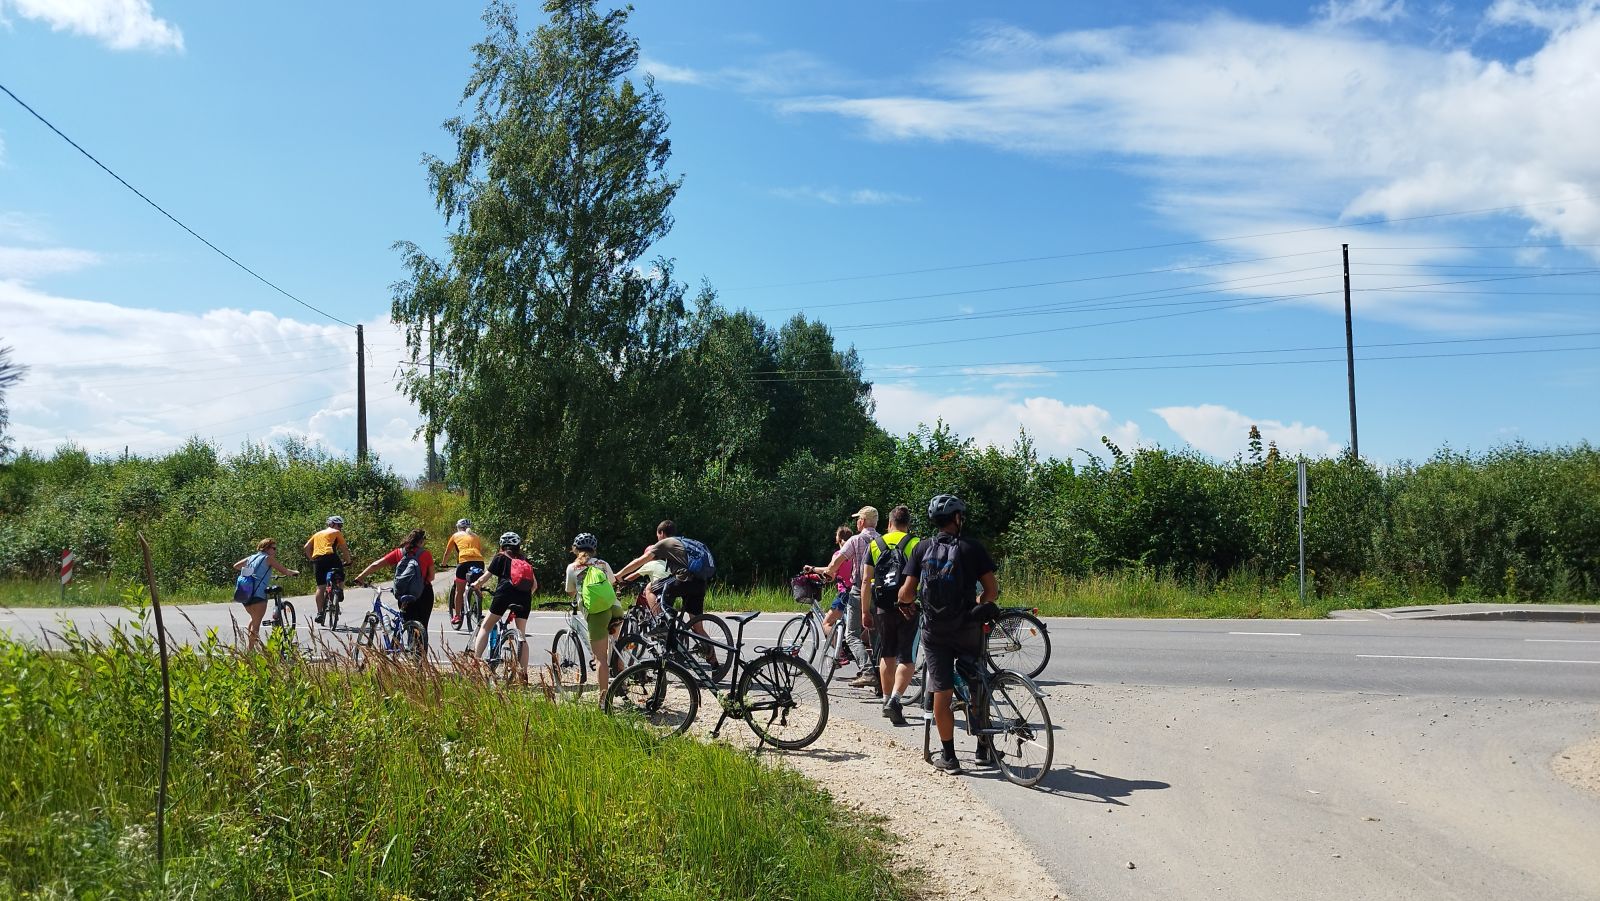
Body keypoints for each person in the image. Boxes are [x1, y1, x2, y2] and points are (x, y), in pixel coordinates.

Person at [898, 494, 998, 774]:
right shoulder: (972, 548)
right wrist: (978, 606)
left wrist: (907, 603)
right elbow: (991, 592)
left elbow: (906, 593)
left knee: (941, 693)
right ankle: (982, 748)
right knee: (978, 683)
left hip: (935, 632)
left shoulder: (922, 548)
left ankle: (949, 757)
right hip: (967, 628)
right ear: (957, 519)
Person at [612, 520, 715, 658]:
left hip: (683, 580)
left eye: (657, 535)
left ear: (661, 533)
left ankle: (661, 623)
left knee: (650, 589)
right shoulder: (681, 542)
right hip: (699, 583)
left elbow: (640, 561)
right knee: (698, 628)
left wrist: (619, 575)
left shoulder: (664, 543)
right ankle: (714, 663)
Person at [861, 505, 921, 725]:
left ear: (889, 523)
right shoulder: (915, 543)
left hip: (883, 606)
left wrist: (864, 611)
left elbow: (866, 580)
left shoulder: (875, 545)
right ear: (908, 524)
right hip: (909, 606)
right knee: (907, 656)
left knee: (887, 653)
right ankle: (895, 699)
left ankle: (886, 700)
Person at [809, 505, 881, 689]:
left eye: (858, 519)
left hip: (859, 590)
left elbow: (835, 564)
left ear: (862, 522)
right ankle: (881, 678)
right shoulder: (883, 540)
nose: (857, 521)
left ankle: (868, 671)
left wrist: (825, 572)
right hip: (880, 592)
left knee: (851, 635)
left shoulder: (855, 541)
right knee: (875, 634)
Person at [564, 532, 624, 696]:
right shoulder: (603, 564)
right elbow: (611, 583)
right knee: (615, 647)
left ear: (575, 549)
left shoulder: (572, 568)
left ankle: (604, 699)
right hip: (616, 608)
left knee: (600, 660)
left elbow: (570, 592)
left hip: (598, 614)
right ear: (594, 549)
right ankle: (622, 678)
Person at [472, 532, 537, 678]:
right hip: (524, 597)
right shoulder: (525, 560)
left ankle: (475, 664)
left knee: (486, 626)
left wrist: (476, 585)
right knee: (521, 634)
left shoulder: (500, 557)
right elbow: (534, 585)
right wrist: (523, 598)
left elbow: (485, 577)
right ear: (518, 546)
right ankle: (524, 675)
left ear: (502, 545)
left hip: (504, 594)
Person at [352, 528, 437, 633]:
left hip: (404, 593)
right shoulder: (426, 554)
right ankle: (420, 647)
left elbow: (376, 564)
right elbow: (431, 577)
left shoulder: (399, 552)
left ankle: (406, 645)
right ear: (421, 541)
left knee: (407, 623)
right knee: (422, 627)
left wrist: (360, 577)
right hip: (423, 592)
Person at [231, 538, 299, 652]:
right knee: (256, 625)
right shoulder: (268, 558)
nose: (275, 551)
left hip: (246, 594)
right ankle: (250, 652)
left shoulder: (251, 558)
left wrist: (251, 573)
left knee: (253, 619)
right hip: (258, 595)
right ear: (267, 548)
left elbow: (236, 566)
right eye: (274, 548)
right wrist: (294, 573)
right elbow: (284, 571)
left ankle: (252, 647)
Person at [802, 525, 854, 652]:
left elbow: (830, 570)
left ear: (839, 539)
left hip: (845, 593)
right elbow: (833, 575)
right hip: (857, 591)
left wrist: (813, 569)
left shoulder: (838, 554)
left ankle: (839, 653)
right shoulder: (855, 554)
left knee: (827, 623)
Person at [302, 515, 352, 625]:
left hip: (318, 560)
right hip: (331, 557)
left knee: (321, 587)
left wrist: (312, 559)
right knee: (340, 574)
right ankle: (339, 591)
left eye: (341, 526)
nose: (340, 528)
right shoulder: (336, 533)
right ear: (332, 524)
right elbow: (344, 549)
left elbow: (306, 547)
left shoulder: (317, 534)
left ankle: (320, 613)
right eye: (339, 525)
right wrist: (348, 561)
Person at [443, 518, 486, 627]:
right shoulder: (475, 536)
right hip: (479, 562)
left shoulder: (455, 536)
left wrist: (443, 564)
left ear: (458, 528)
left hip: (464, 562)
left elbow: (447, 552)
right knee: (477, 584)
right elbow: (479, 550)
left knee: (459, 590)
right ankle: (478, 606)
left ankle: (457, 616)